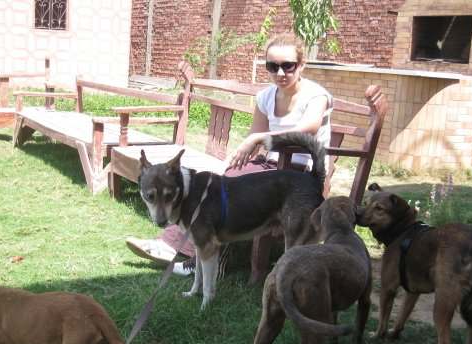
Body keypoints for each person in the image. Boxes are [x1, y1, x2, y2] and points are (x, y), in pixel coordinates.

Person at [126, 32, 333, 275]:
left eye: (288, 66)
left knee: (224, 194)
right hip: (270, 165)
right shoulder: (266, 96)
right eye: (272, 66)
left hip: (301, 171)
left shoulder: (315, 95)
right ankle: (182, 249)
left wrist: (257, 139)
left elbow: (309, 128)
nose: (280, 73)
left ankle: (200, 255)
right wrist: (233, 161)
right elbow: (256, 135)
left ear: (301, 65)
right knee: (214, 186)